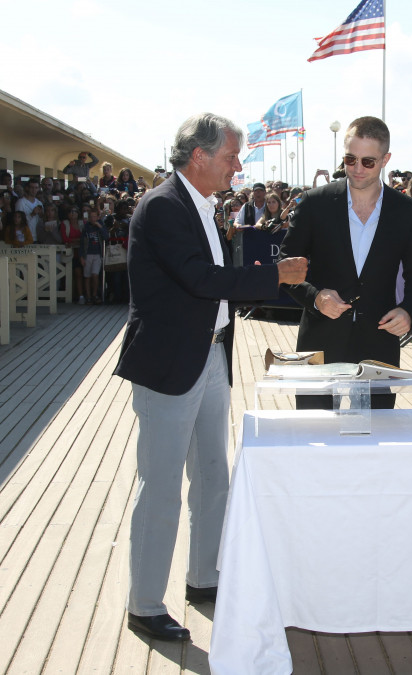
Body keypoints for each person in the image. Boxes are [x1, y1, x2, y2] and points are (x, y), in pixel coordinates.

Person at [113, 112, 307, 642]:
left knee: (212, 477)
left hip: (209, 356)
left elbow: (206, 283)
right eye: (231, 156)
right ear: (198, 156)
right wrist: (274, 276)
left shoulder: (199, 204)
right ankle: (145, 604)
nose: (238, 167)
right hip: (170, 364)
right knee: (161, 488)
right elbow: (200, 279)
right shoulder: (162, 206)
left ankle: (205, 578)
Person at [280, 115, 412, 409]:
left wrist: (408, 310)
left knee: (375, 433)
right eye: (350, 159)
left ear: (385, 159)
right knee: (314, 428)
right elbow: (286, 265)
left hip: (379, 338)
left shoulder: (407, 211)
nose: (357, 169)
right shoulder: (314, 203)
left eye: (368, 162)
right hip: (320, 337)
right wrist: (315, 297)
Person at [80, 206, 106, 303]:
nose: (93, 219)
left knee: (95, 275)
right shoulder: (86, 227)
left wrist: (100, 227)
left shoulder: (100, 225)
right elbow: (82, 243)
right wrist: (81, 256)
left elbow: (106, 237)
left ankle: (95, 295)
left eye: (95, 216)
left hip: (97, 254)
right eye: (91, 217)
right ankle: (88, 296)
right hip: (87, 254)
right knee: (87, 276)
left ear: (98, 217)